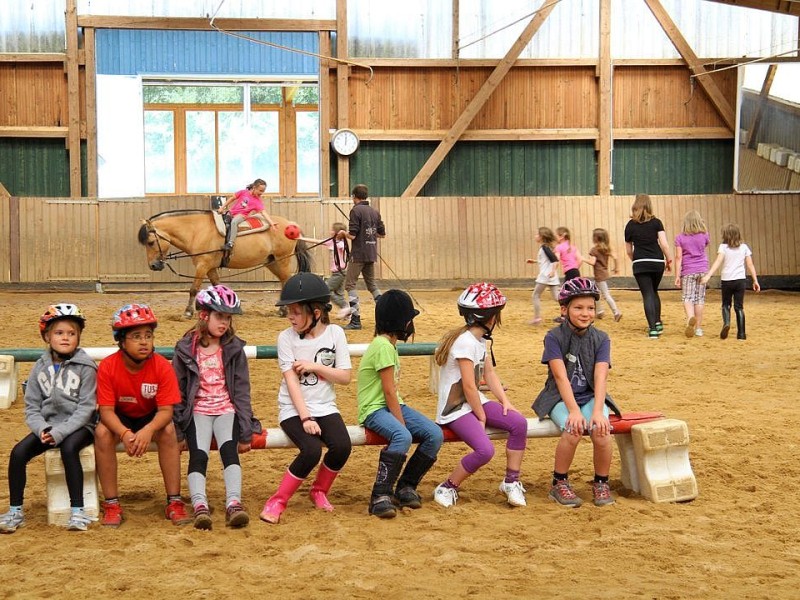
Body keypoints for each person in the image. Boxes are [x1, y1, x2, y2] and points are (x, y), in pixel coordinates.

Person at [260, 273, 353, 524]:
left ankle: (319, 491)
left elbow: (345, 377)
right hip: (294, 408)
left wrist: (315, 367)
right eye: (289, 311)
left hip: (325, 406)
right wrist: (306, 417)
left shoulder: (335, 334)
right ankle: (277, 500)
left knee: (342, 446)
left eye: (295, 312)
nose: (290, 316)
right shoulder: (286, 338)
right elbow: (291, 381)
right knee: (311, 450)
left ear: (316, 312)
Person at [0, 304, 97, 533]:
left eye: (71, 333)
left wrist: (61, 432)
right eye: (59, 333)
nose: (65, 338)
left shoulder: (86, 367)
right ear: (46, 336)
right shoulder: (39, 367)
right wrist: (42, 429)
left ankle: (77, 511)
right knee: (18, 453)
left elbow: (86, 408)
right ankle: (15, 511)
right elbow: (31, 406)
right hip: (49, 425)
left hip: (80, 426)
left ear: (79, 337)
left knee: (69, 449)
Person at [94, 303, 191, 528]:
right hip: (120, 416)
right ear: (121, 341)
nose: (144, 341)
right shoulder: (108, 366)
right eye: (136, 336)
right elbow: (106, 411)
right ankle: (111, 504)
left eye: (148, 335)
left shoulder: (162, 366)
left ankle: (174, 501)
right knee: (101, 433)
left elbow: (166, 411)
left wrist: (148, 430)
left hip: (151, 415)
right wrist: (125, 433)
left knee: (168, 432)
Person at [431, 283, 528, 509]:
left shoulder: (480, 340)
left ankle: (511, 482)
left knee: (518, 423)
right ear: (491, 317)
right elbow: (468, 386)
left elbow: (489, 374)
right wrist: (481, 415)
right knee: (485, 451)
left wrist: (505, 402)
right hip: (455, 409)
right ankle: (448, 486)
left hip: (473, 403)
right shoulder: (465, 342)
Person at [172, 285, 256, 530]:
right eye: (220, 316)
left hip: (225, 410)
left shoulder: (233, 349)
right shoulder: (186, 350)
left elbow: (241, 390)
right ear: (203, 315)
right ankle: (200, 505)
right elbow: (177, 391)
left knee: (230, 452)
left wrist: (246, 428)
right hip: (198, 412)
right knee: (199, 456)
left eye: (228, 318)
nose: (225, 323)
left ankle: (234, 503)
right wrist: (178, 430)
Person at [532, 278, 620, 508]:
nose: (586, 313)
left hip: (590, 396)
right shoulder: (554, 337)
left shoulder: (601, 338)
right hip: (559, 397)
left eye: (590, 308)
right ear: (564, 309)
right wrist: (572, 410)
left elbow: (601, 377)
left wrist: (599, 411)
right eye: (578, 307)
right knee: (573, 430)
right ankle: (558, 482)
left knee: (601, 431)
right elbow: (560, 377)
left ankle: (601, 482)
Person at [358, 289, 443, 518]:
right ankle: (380, 495)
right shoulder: (383, 346)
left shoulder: (389, 345)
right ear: (402, 322)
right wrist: (401, 423)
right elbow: (388, 391)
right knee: (402, 436)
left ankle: (406, 486)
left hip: (390, 404)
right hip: (374, 409)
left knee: (434, 434)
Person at [624, 194, 674, 338]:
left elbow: (628, 250)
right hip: (657, 262)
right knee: (654, 291)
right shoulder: (656, 222)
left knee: (647, 294)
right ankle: (658, 322)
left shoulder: (630, 225)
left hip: (640, 262)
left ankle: (652, 329)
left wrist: (636, 260)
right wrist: (668, 260)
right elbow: (664, 244)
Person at [338, 184, 386, 331]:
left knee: (350, 285)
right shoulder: (374, 212)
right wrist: (368, 234)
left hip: (358, 254)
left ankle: (356, 320)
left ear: (354, 196)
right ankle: (384, 313)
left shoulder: (355, 211)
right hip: (371, 253)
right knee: (372, 285)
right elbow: (381, 234)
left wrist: (342, 233)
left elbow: (352, 235)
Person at [701, 223, 760, 340]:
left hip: (727, 280)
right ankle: (741, 334)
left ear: (725, 236)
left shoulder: (723, 247)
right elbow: (750, 265)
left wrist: (708, 276)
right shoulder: (744, 247)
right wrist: (755, 280)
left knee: (726, 305)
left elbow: (718, 262)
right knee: (739, 307)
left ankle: (726, 323)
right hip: (740, 280)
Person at [674, 211, 710, 338]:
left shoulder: (680, 238)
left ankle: (690, 317)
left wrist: (677, 275)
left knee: (687, 298)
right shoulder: (704, 235)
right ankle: (699, 328)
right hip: (702, 270)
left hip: (688, 270)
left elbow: (678, 258)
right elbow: (705, 245)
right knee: (699, 299)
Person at [217, 178, 275, 250]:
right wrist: (222, 207)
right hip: (232, 212)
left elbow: (263, 212)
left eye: (263, 191)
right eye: (260, 190)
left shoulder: (257, 201)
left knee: (234, 222)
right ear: (254, 188)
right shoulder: (243, 192)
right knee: (224, 222)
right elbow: (232, 198)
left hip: (242, 215)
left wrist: (271, 223)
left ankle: (231, 243)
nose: (261, 193)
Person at [583, 228, 622, 322]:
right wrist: (616, 268)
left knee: (605, 295)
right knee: (595, 292)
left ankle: (616, 312)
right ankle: (599, 311)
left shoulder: (594, 250)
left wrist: (582, 259)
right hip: (603, 273)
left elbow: (592, 262)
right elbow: (616, 257)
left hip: (599, 275)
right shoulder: (606, 248)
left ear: (595, 238)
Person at [525, 226, 560, 325]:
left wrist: (552, 271)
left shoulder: (544, 247)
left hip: (545, 275)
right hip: (551, 276)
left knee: (535, 295)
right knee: (557, 297)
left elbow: (554, 260)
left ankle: (537, 318)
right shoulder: (547, 247)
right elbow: (547, 261)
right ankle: (569, 307)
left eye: (537, 234)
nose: (535, 236)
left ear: (542, 237)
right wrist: (535, 261)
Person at [323, 222, 350, 319]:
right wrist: (300, 238)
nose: (330, 231)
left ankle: (345, 307)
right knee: (339, 293)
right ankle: (347, 314)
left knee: (325, 290)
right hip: (336, 273)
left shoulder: (341, 244)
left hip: (339, 273)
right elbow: (316, 241)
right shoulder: (331, 242)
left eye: (332, 230)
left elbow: (343, 247)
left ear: (337, 233)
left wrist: (343, 236)